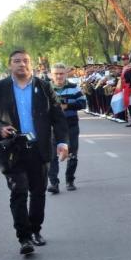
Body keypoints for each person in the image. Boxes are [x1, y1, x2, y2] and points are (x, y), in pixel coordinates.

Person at [0, 49, 68, 255]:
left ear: (32, 64)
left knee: (38, 193)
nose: (21, 64)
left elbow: (57, 116)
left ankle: (36, 229)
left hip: (39, 149)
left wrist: (63, 142)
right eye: (17, 61)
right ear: (9, 64)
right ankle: (24, 237)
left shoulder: (44, 87)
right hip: (12, 150)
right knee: (18, 191)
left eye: (25, 61)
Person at [47, 63, 86, 193]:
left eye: (61, 73)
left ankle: (70, 180)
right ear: (52, 75)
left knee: (72, 154)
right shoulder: (45, 88)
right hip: (53, 126)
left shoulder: (74, 88)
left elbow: (83, 103)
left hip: (71, 124)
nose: (59, 76)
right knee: (52, 155)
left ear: (65, 74)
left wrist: (67, 106)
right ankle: (54, 183)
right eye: (56, 73)